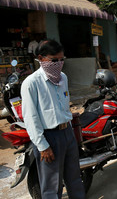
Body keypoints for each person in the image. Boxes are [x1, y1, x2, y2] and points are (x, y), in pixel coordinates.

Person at [21, 39, 85, 199]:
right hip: (49, 137)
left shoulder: (63, 77)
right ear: (41, 58)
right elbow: (30, 117)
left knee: (75, 179)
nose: (59, 63)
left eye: (61, 59)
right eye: (54, 60)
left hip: (67, 133)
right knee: (51, 187)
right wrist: (42, 146)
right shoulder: (31, 83)